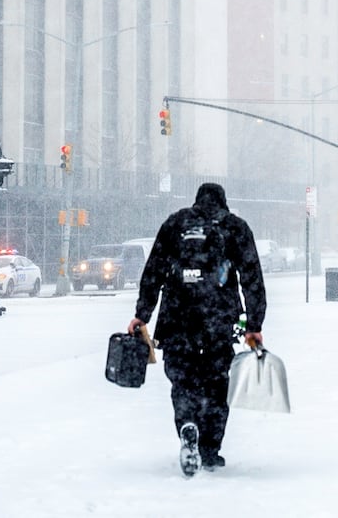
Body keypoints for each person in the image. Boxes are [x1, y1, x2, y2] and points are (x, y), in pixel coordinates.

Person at [127, 182, 266, 477]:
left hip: (177, 319)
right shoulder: (234, 227)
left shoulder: (176, 224)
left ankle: (187, 424)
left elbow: (154, 271)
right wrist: (254, 325)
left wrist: (142, 315)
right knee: (216, 384)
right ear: (223, 202)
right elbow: (252, 277)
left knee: (183, 382)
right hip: (217, 320)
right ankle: (210, 449)